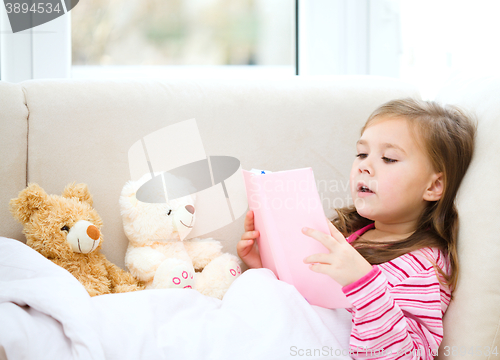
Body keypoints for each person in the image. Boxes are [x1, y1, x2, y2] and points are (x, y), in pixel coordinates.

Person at [237, 98, 476, 359]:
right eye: (362, 154)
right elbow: (307, 300)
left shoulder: (422, 270)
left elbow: (407, 354)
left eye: (389, 158)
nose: (365, 165)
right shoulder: (353, 234)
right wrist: (264, 264)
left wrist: (364, 283)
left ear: (433, 187)